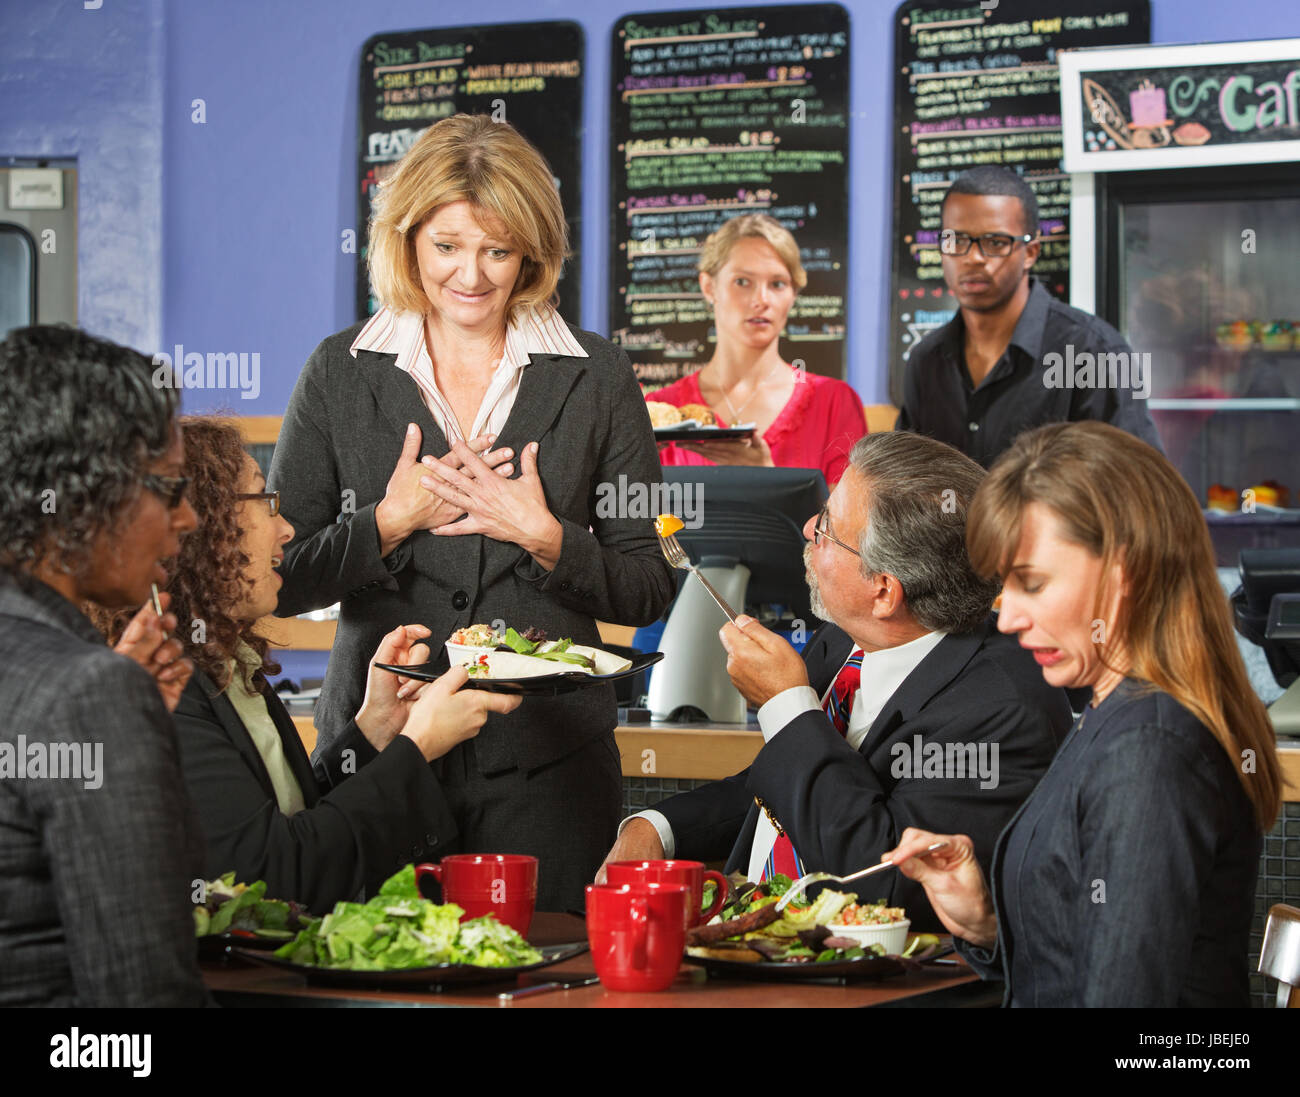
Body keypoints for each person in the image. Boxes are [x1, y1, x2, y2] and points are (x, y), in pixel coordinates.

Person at [268, 115, 675, 911]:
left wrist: (545, 536)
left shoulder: (597, 374)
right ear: (407, 236)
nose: (472, 275)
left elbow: (649, 584)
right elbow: (273, 579)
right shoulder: (338, 372)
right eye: (447, 245)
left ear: (532, 249)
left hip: (550, 771)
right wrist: (388, 521)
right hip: (380, 755)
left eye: (498, 248)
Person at [599, 431, 1072, 931]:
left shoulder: (1003, 709)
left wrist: (786, 706)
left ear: (884, 591)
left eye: (826, 525)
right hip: (749, 946)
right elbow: (787, 788)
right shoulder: (842, 640)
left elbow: (881, 878)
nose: (806, 528)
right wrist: (659, 828)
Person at [885, 420, 1282, 1006]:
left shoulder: (1148, 747)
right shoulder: (1114, 710)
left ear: (1126, 575)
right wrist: (987, 924)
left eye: (1034, 584)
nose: (1010, 617)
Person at [104, 418, 522, 913]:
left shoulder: (230, 666)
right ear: (201, 528)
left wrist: (374, 731)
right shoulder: (164, 691)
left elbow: (295, 817)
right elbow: (277, 874)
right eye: (264, 501)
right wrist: (416, 748)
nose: (286, 529)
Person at [0, 326, 208, 1006]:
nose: (190, 518)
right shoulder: (90, 692)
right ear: (87, 489)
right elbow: (143, 1010)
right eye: (171, 487)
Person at [896, 166, 1163, 467]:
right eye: (955, 240)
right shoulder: (927, 361)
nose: (972, 258)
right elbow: (909, 485)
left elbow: (1138, 487)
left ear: (1031, 252)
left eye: (995, 242)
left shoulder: (1095, 352)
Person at [649, 214, 867, 486]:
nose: (761, 300)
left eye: (777, 284)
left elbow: (848, 528)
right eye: (742, 281)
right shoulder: (657, 411)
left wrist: (765, 476)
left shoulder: (834, 404)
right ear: (709, 286)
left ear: (793, 295)